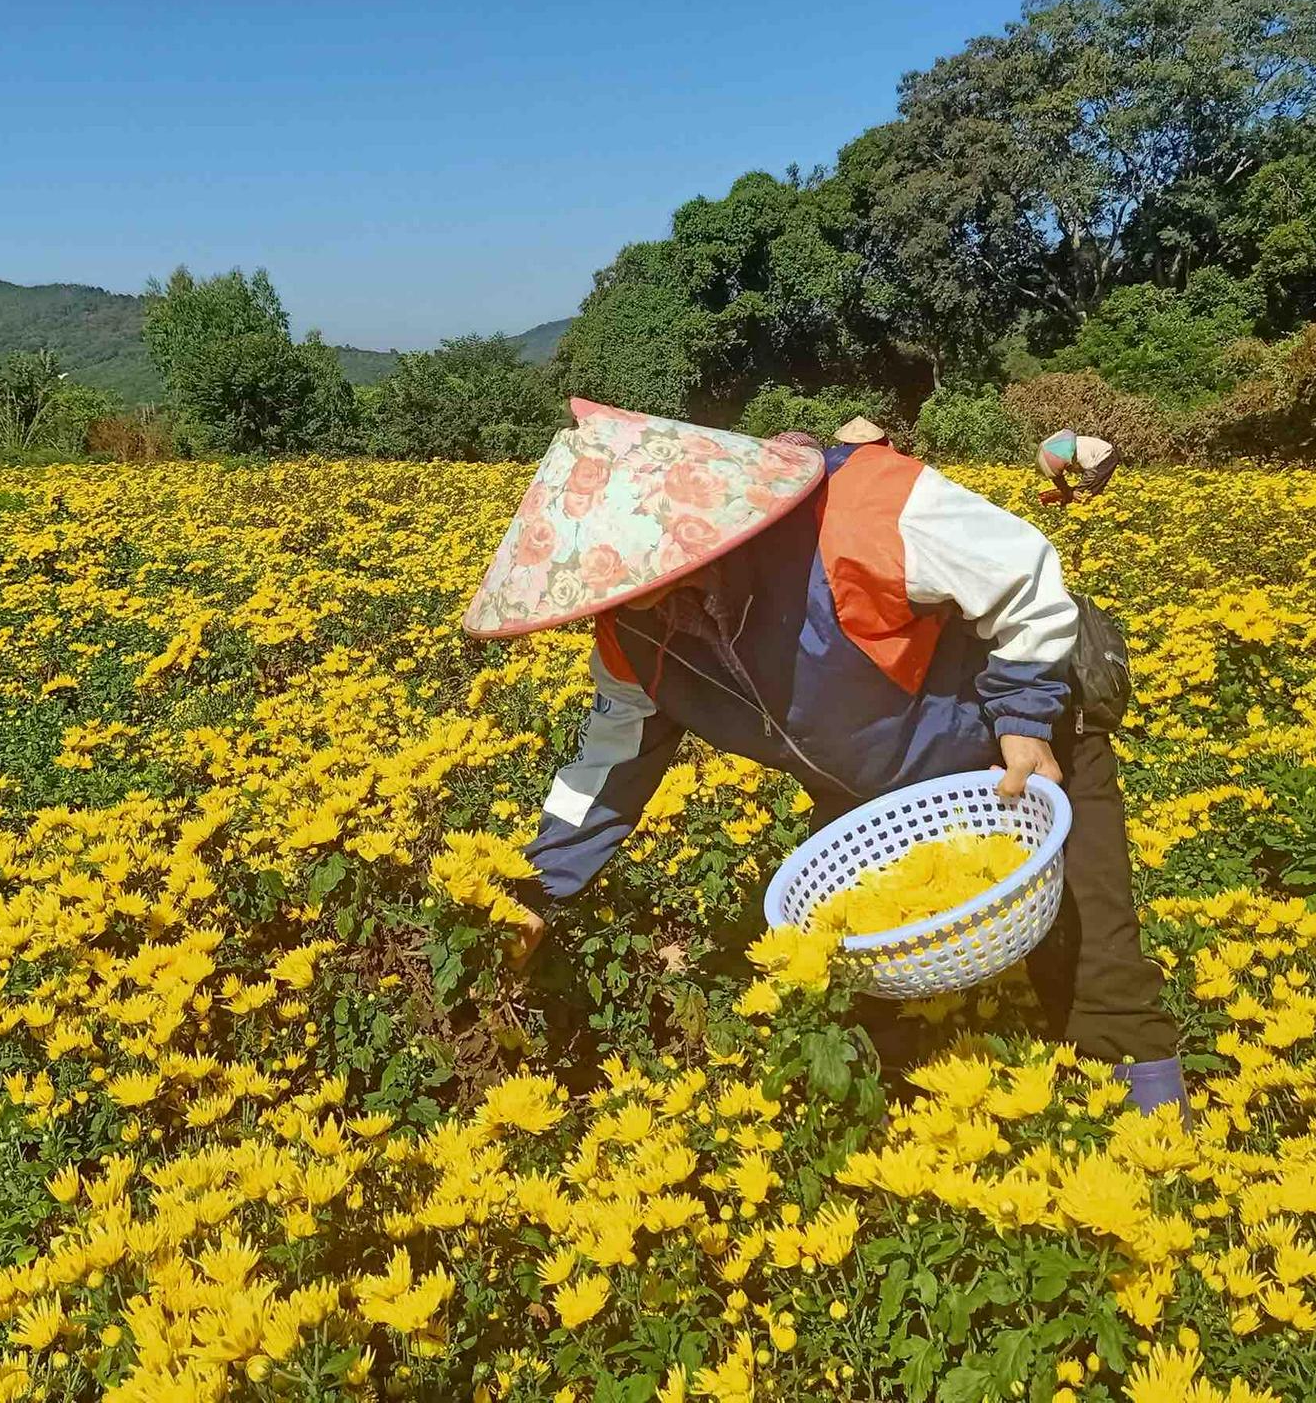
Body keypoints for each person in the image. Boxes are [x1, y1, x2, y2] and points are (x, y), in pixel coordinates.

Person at [463, 399, 1187, 1116]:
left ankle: (1158, 1148)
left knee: (1098, 969)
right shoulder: (634, 636)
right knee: (864, 997)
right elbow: (605, 769)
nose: (622, 602)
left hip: (1020, 754)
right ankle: (910, 1141)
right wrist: (536, 887)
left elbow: (1020, 573)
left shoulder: (857, 507)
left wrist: (1025, 715)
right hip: (874, 803)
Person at [1037, 429, 1120, 506]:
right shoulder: (1064, 452)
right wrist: (1069, 493)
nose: (1067, 471)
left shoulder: (1081, 454)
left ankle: (1091, 507)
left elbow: (1091, 475)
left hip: (1106, 457)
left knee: (1092, 489)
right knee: (1076, 492)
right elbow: (1057, 478)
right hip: (1093, 461)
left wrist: (1077, 491)